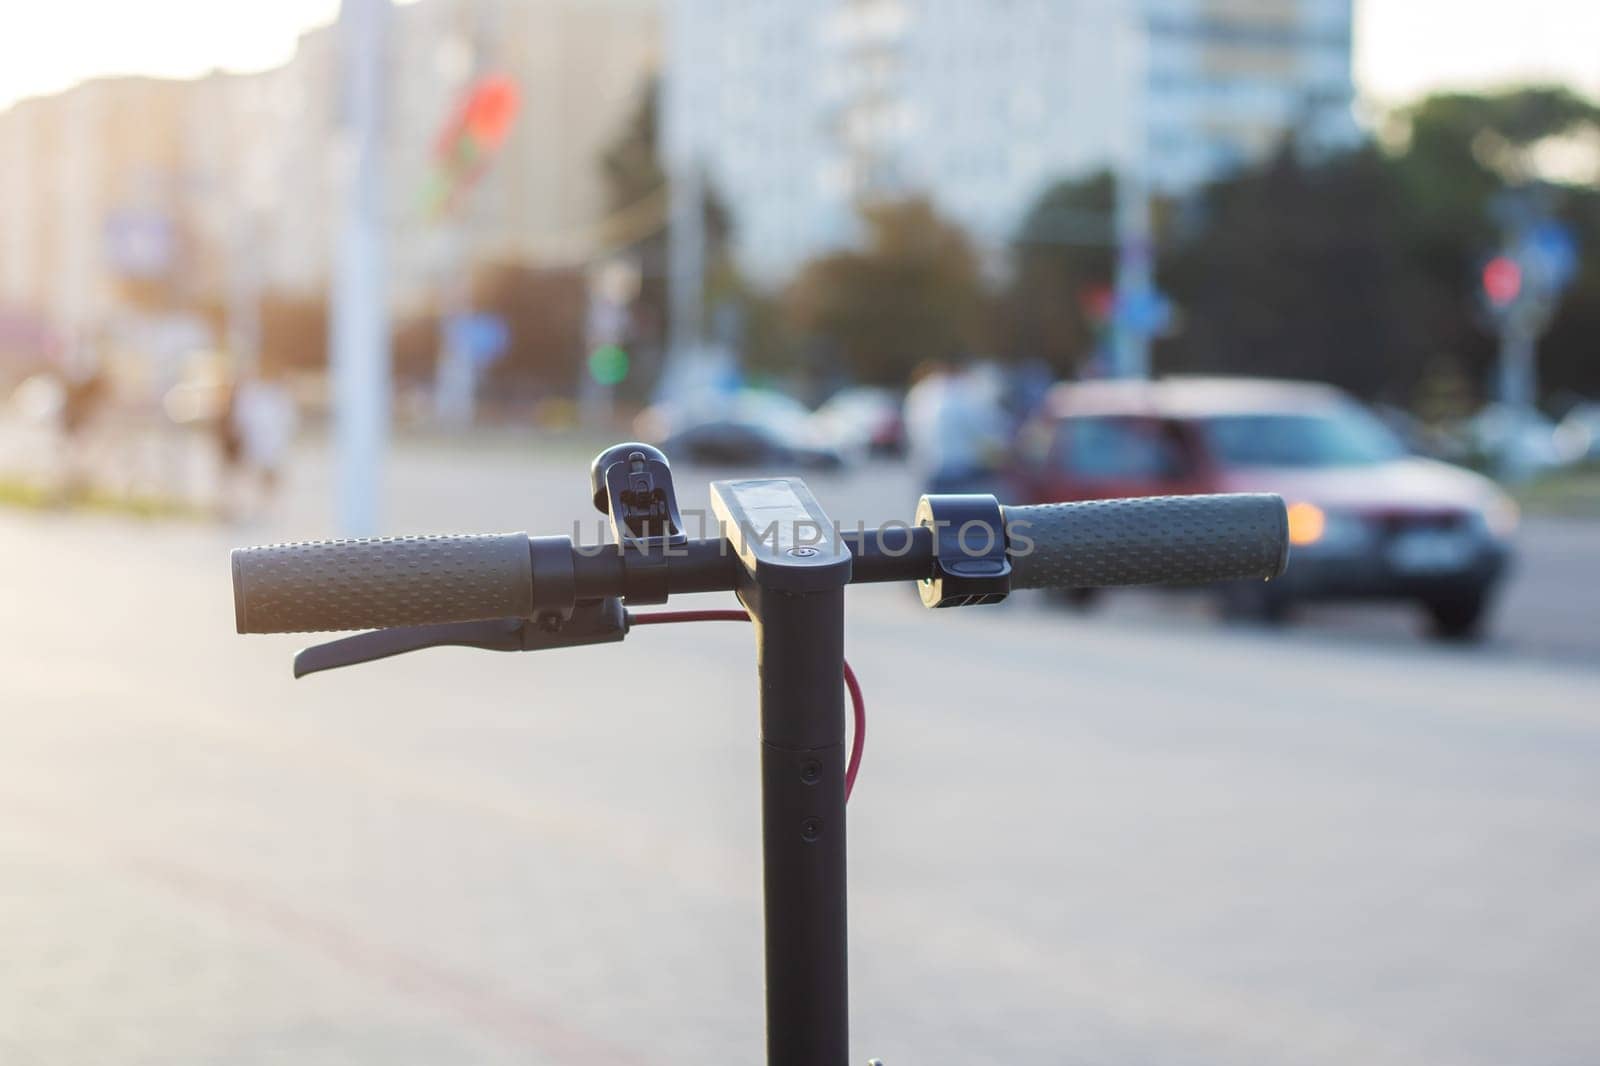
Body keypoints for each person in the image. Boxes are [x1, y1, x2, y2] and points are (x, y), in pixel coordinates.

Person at [902, 358, 1010, 495]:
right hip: (965, 471)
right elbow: (984, 431)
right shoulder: (964, 394)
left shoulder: (919, 393)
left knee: (938, 514)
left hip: (931, 471)